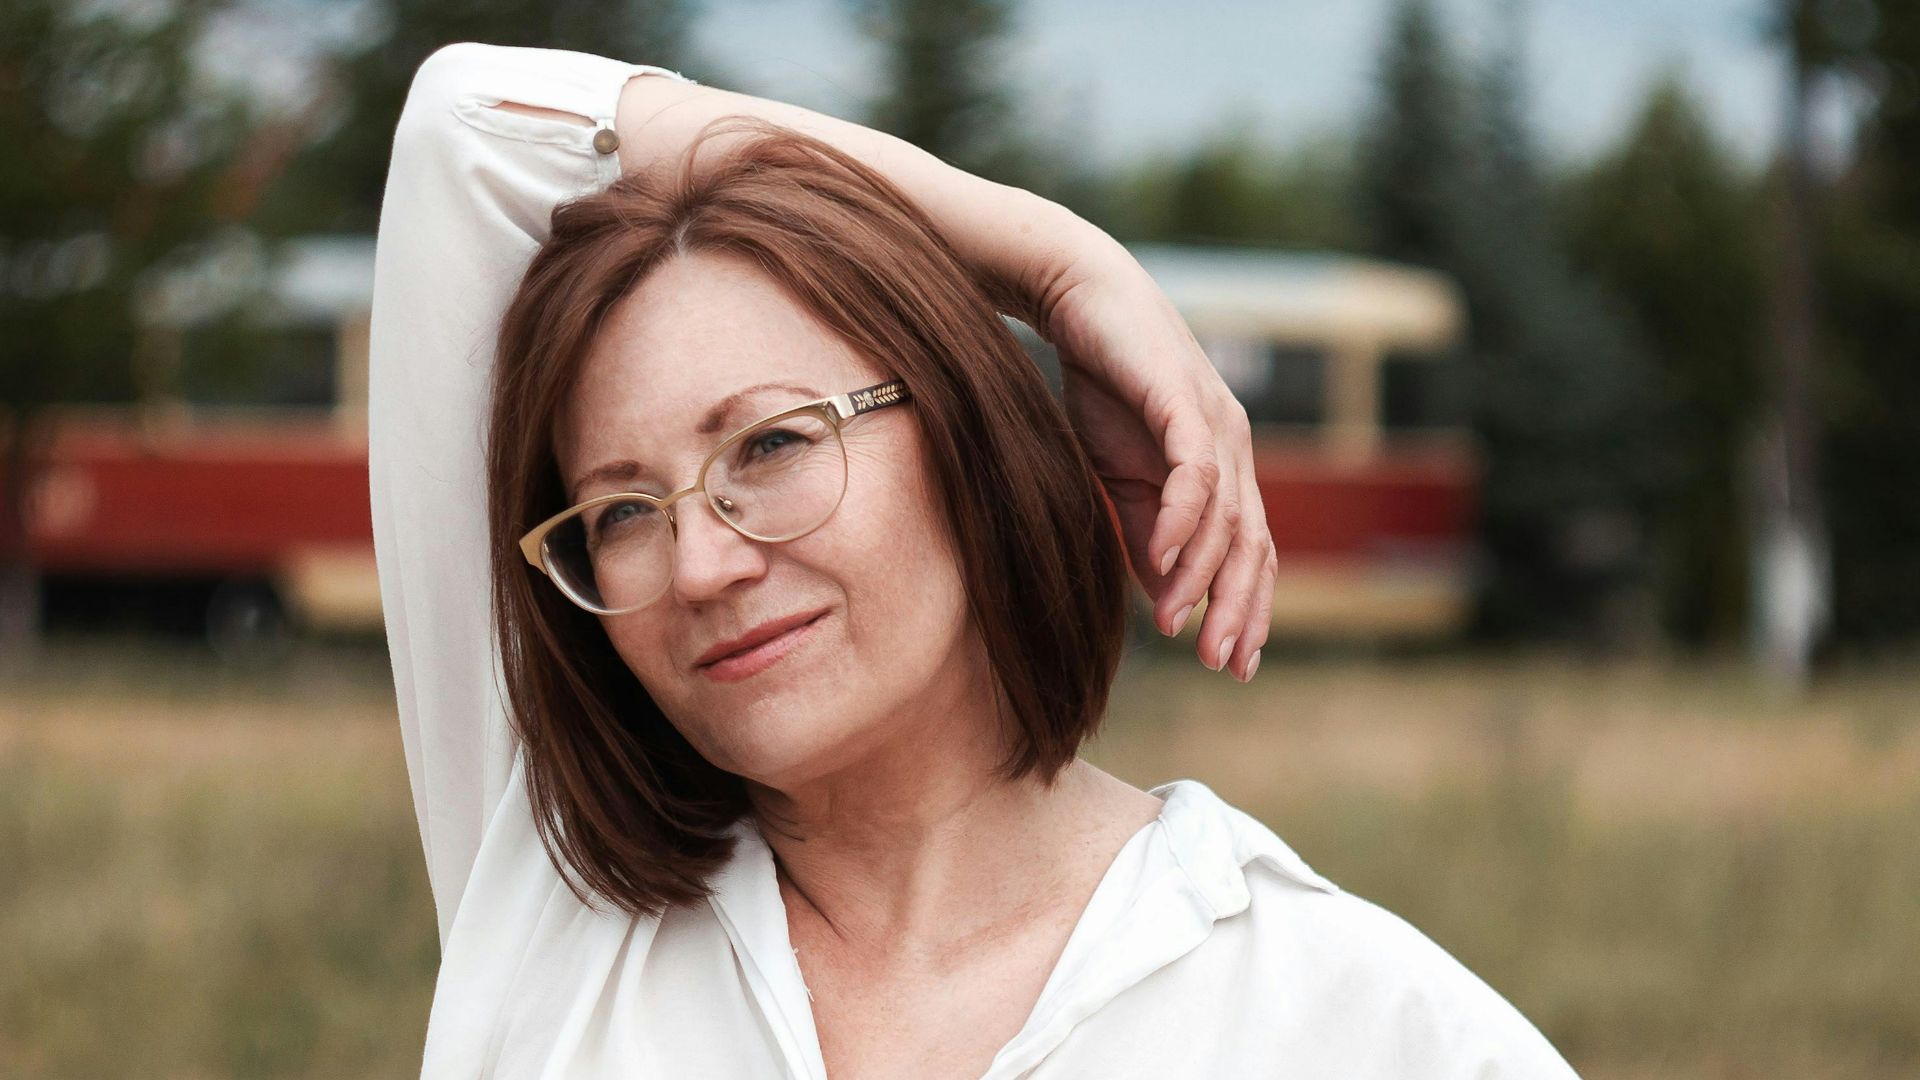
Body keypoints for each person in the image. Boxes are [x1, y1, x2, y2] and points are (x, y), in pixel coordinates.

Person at [369, 41, 1580, 1080]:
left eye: (774, 443)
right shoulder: (552, 913)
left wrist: (1060, 277)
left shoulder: (1350, 1024)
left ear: (966, 433)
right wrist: (1050, 266)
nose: (700, 565)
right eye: (621, 513)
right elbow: (465, 124)